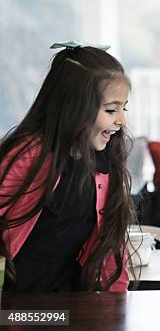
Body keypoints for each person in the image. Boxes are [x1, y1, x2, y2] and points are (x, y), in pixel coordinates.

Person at [0, 43, 134, 291]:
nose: (121, 120)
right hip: (16, 304)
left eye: (123, 108)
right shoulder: (29, 156)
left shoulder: (105, 163)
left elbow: (111, 249)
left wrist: (117, 304)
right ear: (75, 106)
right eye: (111, 110)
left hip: (68, 302)